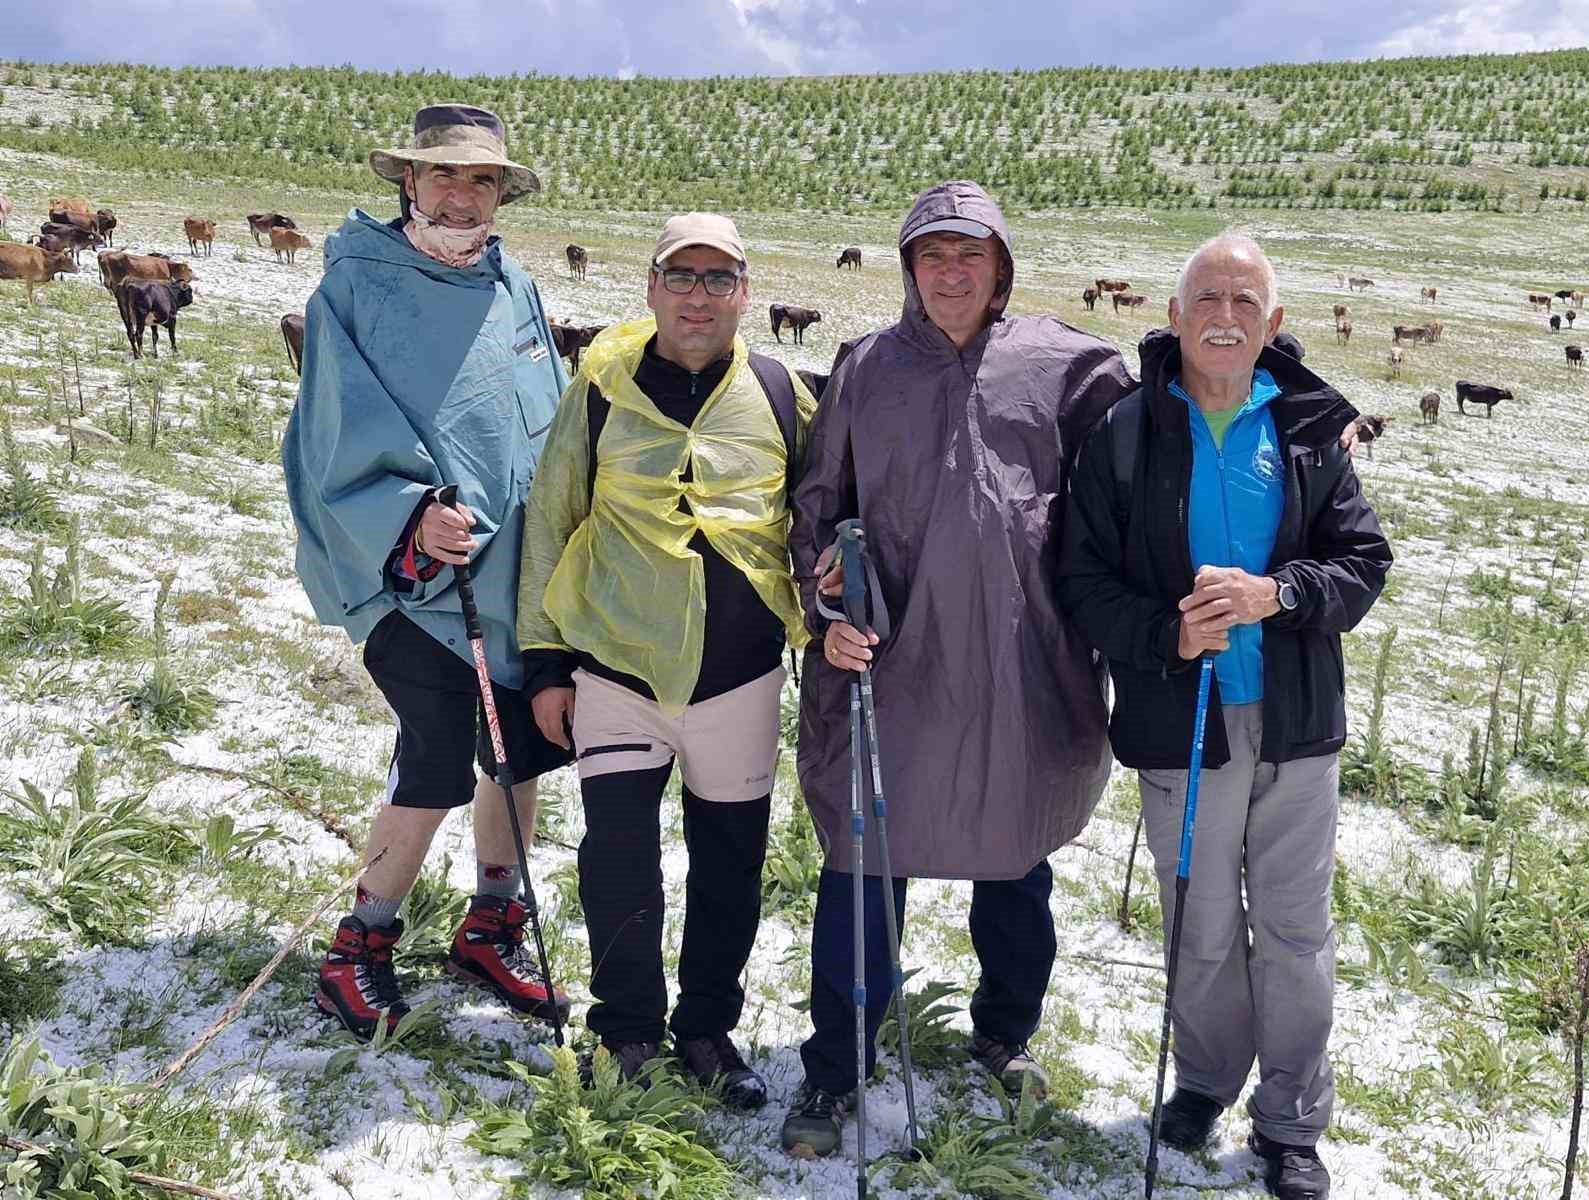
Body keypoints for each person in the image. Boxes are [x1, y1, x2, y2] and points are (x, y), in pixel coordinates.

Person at [780, 180, 1134, 1156]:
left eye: (967, 254)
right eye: (929, 255)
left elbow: (1165, 431)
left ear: (1000, 264)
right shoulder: (865, 367)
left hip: (1025, 659)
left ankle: (1003, 1035)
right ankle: (835, 1064)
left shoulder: (1065, 363)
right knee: (864, 859)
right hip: (889, 661)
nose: (949, 272)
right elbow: (817, 505)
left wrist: (1308, 405)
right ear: (907, 269)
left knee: (1014, 856)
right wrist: (822, 609)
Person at [1057, 233, 1392, 1200]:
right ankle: (1205, 1080)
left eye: (1248, 303)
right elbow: (1081, 580)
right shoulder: (1125, 433)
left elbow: (1361, 562)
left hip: (1294, 724)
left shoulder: (1309, 430)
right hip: (1182, 722)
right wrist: (1169, 633)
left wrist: (1278, 596)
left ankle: (1289, 1122)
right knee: (1198, 923)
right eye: (1209, 295)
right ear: (1173, 315)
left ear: (1274, 324)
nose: (1226, 316)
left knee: (1292, 931)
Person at [283, 103, 572, 1040]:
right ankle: (358, 944)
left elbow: (541, 412)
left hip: (519, 585)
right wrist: (408, 516)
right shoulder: (358, 285)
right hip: (422, 582)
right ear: (407, 183)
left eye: (481, 180)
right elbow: (334, 423)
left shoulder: (514, 283)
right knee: (436, 765)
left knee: (518, 753)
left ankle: (492, 924)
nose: (461, 195)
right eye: (442, 176)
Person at [517, 213, 814, 1109]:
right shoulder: (600, 387)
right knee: (618, 858)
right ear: (650, 288)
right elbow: (551, 516)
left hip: (741, 678)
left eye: (718, 278)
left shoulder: (779, 390)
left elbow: (815, 511)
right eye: (680, 276)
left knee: (730, 859)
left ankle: (707, 1030)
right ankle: (628, 1028)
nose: (698, 295)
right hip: (614, 668)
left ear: (746, 295)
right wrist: (545, 663)